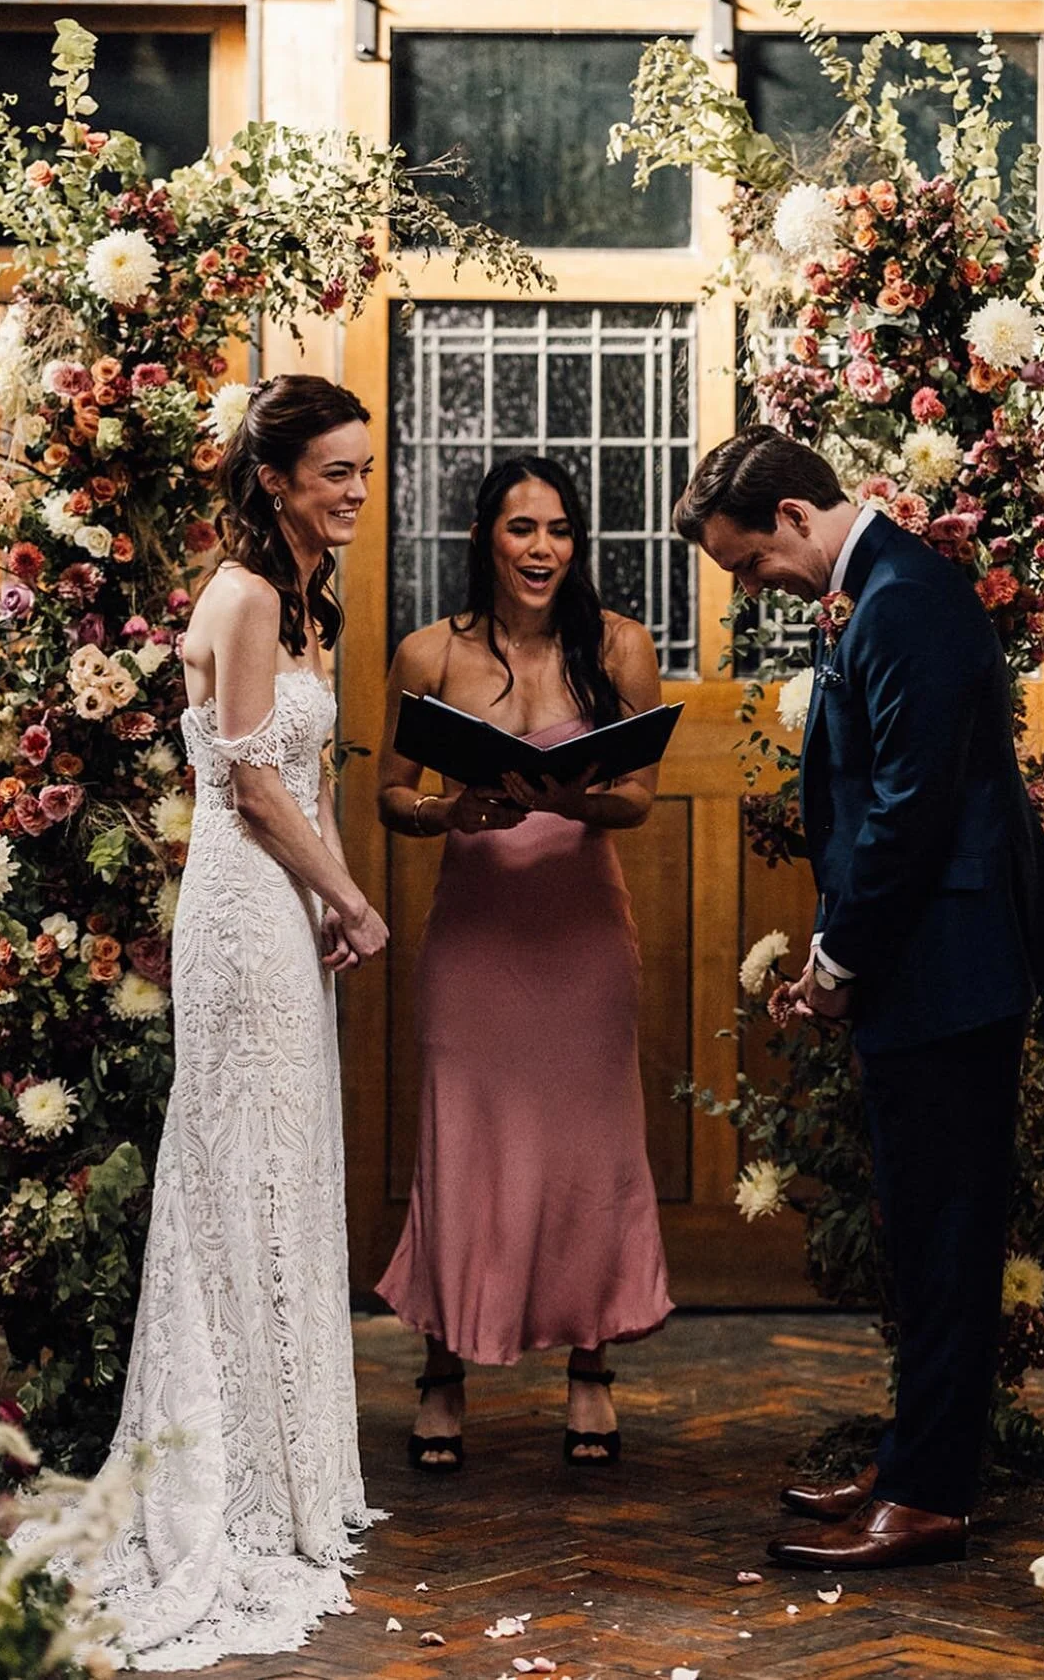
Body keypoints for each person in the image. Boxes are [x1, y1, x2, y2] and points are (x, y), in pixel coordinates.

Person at [674, 425, 1044, 1569]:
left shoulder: (901, 600)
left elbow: (907, 815)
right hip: (927, 962)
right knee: (923, 1235)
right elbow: (877, 808)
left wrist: (836, 968)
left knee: (947, 1238)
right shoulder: (884, 590)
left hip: (946, 971)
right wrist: (835, 951)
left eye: (749, 564)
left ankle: (932, 1496)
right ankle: (913, 1460)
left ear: (795, 518)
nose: (754, 588)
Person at [83, 375, 389, 1665]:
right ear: (274, 479)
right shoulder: (250, 593)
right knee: (241, 1176)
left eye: (368, 468)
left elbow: (290, 778)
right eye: (337, 472)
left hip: (278, 909)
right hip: (246, 910)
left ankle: (293, 1469)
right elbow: (256, 787)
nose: (359, 491)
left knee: (281, 1174)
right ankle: (240, 1483)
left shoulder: (301, 591)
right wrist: (354, 899)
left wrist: (320, 895)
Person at [375, 455, 673, 1471]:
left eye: (558, 529)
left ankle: (591, 1374)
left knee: (590, 1146)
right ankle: (442, 1373)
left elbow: (636, 794)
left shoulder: (621, 649)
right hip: (477, 945)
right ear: (484, 542)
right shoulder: (427, 653)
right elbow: (389, 795)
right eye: (520, 529)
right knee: (460, 1141)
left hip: (583, 937)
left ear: (575, 545)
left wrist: (575, 800)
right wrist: (451, 810)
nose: (542, 548)